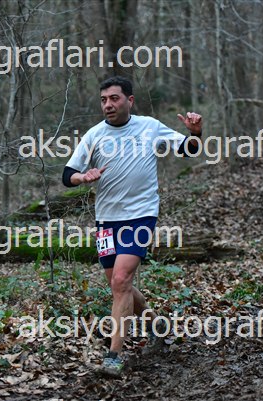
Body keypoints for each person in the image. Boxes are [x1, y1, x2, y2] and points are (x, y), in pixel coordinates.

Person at [62, 76, 202, 377]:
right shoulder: (94, 135)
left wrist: (195, 133)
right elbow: (67, 174)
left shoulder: (149, 127)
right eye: (104, 100)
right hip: (106, 220)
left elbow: (188, 150)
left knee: (121, 279)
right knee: (118, 284)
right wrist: (82, 177)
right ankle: (157, 325)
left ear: (130, 100)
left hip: (140, 216)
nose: (108, 105)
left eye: (114, 98)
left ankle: (113, 357)